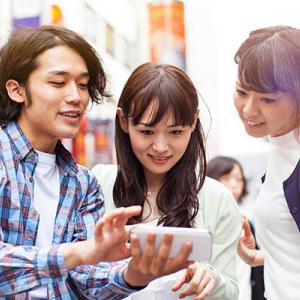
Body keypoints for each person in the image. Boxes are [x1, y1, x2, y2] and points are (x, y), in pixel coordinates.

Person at [0, 26, 193, 299]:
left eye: (82, 84)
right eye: (58, 83)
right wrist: (80, 252)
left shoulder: (82, 182)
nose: (76, 97)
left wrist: (134, 275)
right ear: (16, 90)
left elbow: (88, 278)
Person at [93, 62, 242, 299]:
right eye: (147, 132)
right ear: (123, 121)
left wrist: (212, 279)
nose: (161, 147)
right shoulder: (97, 183)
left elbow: (232, 292)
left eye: (175, 132)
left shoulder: (217, 199)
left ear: (193, 122)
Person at [234, 25, 300, 300]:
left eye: (267, 99)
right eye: (241, 92)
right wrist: (264, 256)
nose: (249, 109)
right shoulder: (281, 144)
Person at [207, 156, 265, 300]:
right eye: (226, 177)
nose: (234, 184)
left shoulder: (247, 219)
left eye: (239, 179)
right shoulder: (204, 217)